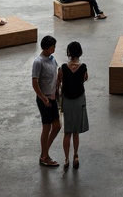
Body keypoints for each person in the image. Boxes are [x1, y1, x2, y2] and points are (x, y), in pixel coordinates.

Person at [58, 40, 89, 170]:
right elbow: (85, 78)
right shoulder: (83, 67)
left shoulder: (63, 67)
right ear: (80, 52)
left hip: (68, 101)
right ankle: (75, 155)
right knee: (76, 131)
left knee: (67, 132)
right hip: (79, 100)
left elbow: (59, 81)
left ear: (69, 53)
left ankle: (66, 159)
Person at [32, 34, 61, 167]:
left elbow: (56, 73)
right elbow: (35, 82)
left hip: (53, 98)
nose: (54, 49)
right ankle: (44, 156)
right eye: (52, 47)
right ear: (45, 48)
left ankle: (44, 153)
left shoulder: (52, 59)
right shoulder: (38, 62)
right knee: (47, 127)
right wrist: (43, 98)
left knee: (57, 126)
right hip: (45, 100)